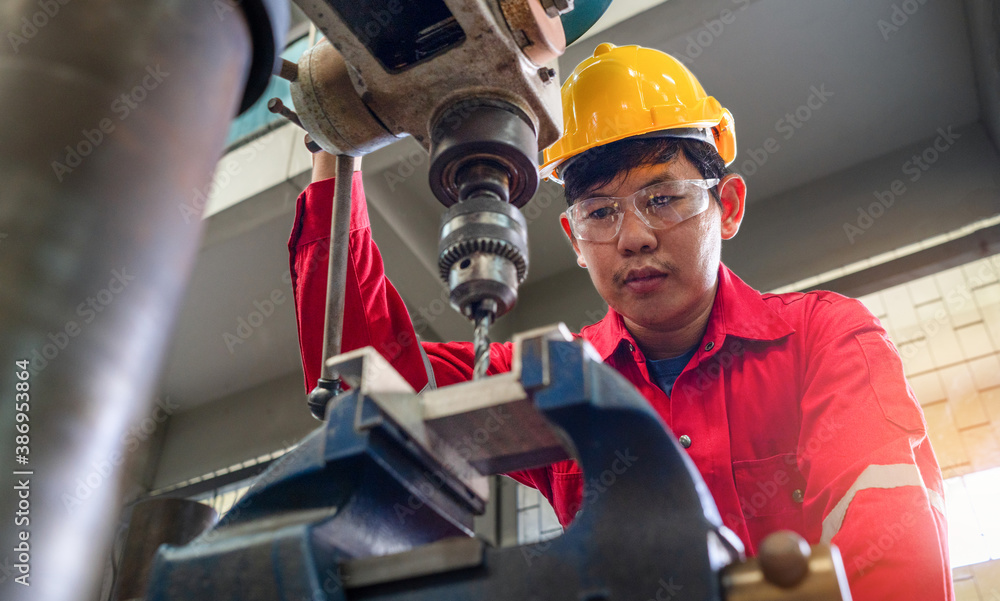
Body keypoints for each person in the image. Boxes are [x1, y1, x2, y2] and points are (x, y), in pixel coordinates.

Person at [288, 43, 952, 600]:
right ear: (574, 241)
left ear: (728, 206)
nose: (632, 236)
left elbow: (894, 552)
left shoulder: (823, 340)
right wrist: (335, 143)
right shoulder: (557, 382)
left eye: (663, 198)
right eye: (600, 213)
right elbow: (366, 368)